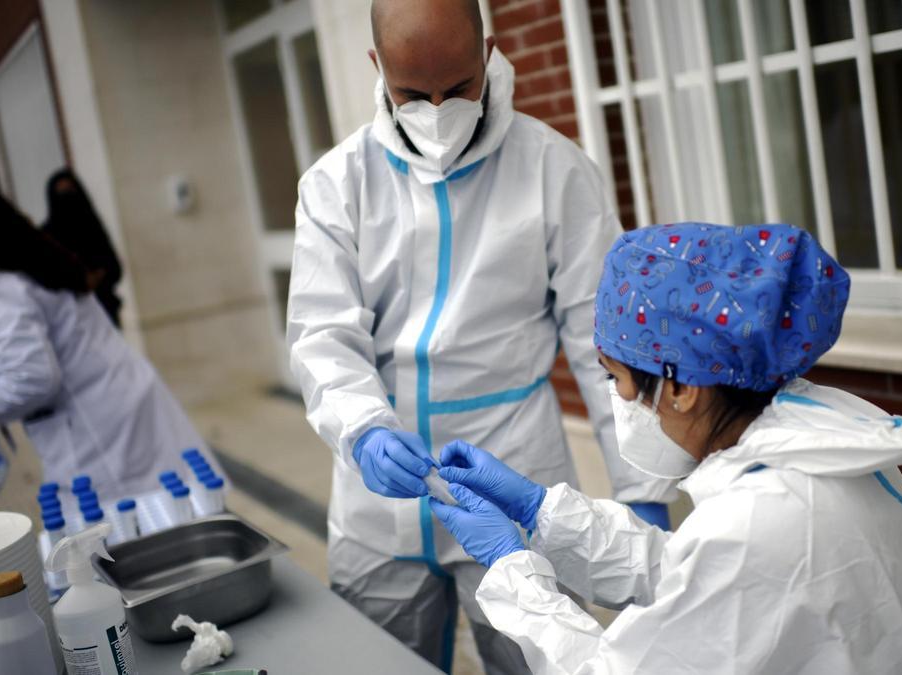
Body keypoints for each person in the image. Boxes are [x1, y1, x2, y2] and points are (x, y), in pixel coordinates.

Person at [286, 0, 673, 671]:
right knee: (375, 661)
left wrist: (643, 490)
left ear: (489, 53)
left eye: (459, 87)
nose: (437, 112)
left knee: (536, 654)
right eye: (412, 93)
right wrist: (363, 429)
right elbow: (322, 335)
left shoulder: (554, 168)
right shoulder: (334, 186)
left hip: (512, 470)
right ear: (377, 66)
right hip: (380, 502)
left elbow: (602, 342)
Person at [429, 223, 902, 673]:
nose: (617, 399)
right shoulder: (816, 436)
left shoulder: (760, 518)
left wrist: (512, 572)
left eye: (616, 379)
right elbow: (689, 576)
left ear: (680, 387)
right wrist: (540, 511)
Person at [0, 159, 217, 498]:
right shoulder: (25, 251)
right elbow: (54, 335)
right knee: (178, 510)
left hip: (99, 435)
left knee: (140, 532)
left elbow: (32, 378)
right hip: (121, 405)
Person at [42, 168, 125, 327]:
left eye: (70, 192)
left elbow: (115, 269)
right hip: (70, 320)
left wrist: (98, 276)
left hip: (105, 311)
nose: (67, 200)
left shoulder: (92, 228)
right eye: (62, 195)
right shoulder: (48, 236)